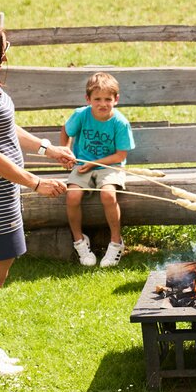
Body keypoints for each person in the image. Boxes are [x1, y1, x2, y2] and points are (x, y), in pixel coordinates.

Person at [0, 17, 74, 376]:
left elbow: (8, 128)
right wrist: (37, 184)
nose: (8, 51)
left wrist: (47, 149)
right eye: (3, 46)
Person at [62, 71, 136, 268]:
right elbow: (66, 131)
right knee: (72, 196)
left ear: (116, 99)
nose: (102, 104)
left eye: (107, 99)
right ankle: (79, 240)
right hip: (82, 164)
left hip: (109, 166)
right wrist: (66, 152)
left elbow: (120, 156)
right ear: (88, 99)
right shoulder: (81, 115)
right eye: (97, 99)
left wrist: (94, 164)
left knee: (108, 195)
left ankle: (116, 242)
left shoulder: (120, 122)